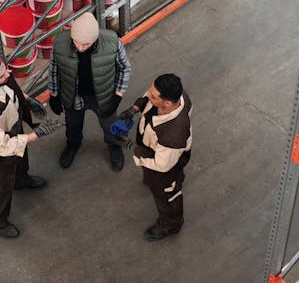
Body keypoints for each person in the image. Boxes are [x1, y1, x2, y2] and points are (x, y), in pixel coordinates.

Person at [0, 53, 63, 238]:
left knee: (20, 158)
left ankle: (20, 180)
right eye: (2, 76)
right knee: (0, 183)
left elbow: (10, 90)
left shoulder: (0, 76)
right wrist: (35, 135)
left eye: (6, 70)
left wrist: (26, 99)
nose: (8, 74)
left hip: (13, 128)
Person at [48, 12, 131, 171]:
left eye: (85, 44)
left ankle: (114, 146)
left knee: (111, 124)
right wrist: (54, 95)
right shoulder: (60, 44)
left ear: (95, 39)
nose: (79, 47)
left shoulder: (112, 43)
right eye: (75, 42)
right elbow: (54, 69)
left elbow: (124, 68)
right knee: (73, 124)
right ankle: (73, 144)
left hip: (103, 94)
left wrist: (117, 95)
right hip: (73, 95)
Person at [118, 74, 192, 241]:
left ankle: (171, 224)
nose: (147, 96)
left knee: (166, 194)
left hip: (166, 164)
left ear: (167, 103)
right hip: (154, 148)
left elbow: (162, 165)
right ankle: (166, 180)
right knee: (153, 179)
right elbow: (147, 95)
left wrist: (132, 148)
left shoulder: (174, 134)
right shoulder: (178, 96)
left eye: (152, 96)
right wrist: (135, 108)